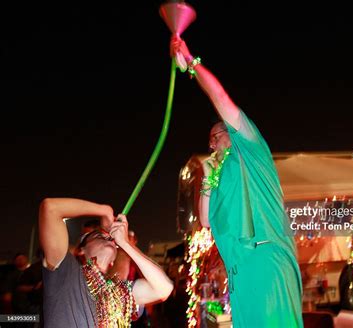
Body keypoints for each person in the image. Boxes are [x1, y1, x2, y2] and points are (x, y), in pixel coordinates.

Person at [171, 37, 303, 327]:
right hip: (239, 275)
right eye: (209, 142)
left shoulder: (250, 151)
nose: (211, 144)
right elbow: (205, 220)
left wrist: (191, 63)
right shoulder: (218, 176)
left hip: (266, 259)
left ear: (231, 133)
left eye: (216, 136)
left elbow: (220, 98)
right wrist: (206, 177)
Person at [39, 198, 174, 327]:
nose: (107, 238)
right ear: (81, 250)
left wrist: (125, 243)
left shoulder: (119, 292)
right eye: (98, 236)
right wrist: (104, 210)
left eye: (111, 239)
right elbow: (51, 208)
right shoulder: (66, 270)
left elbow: (164, 288)